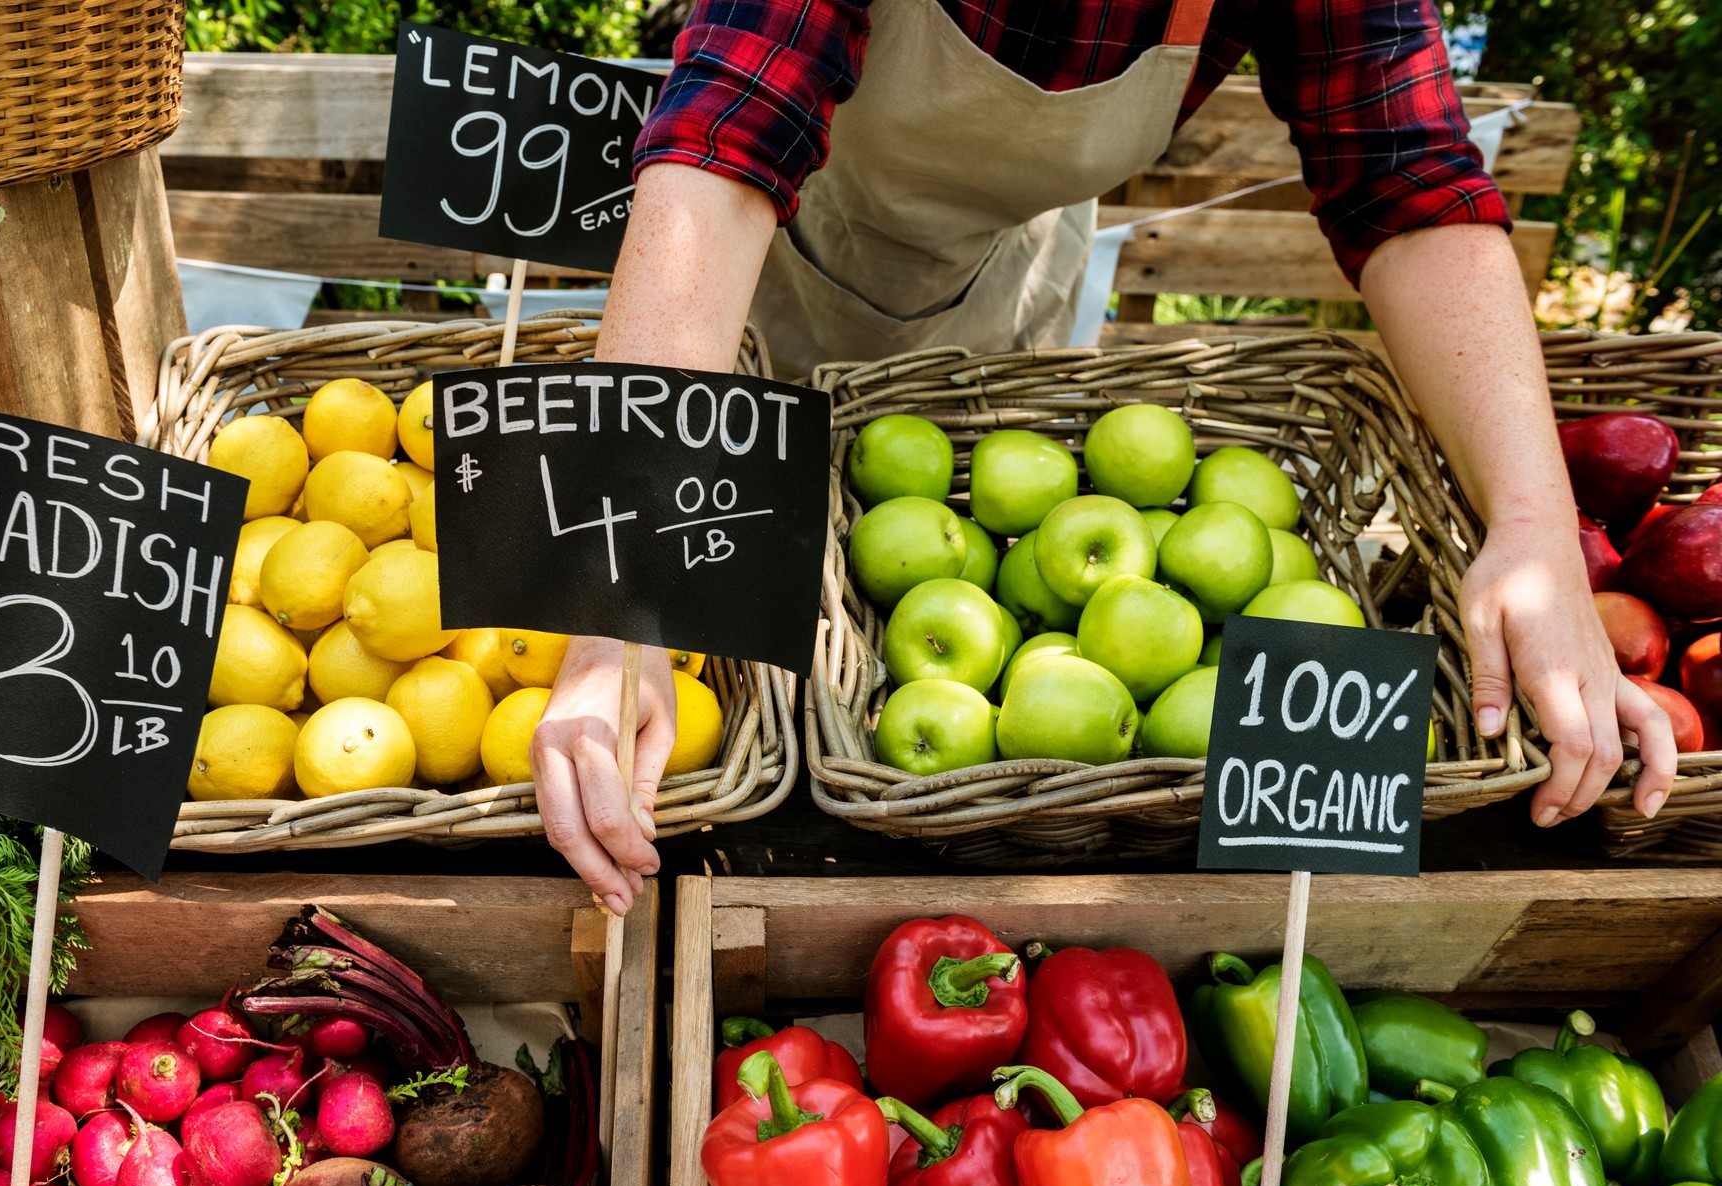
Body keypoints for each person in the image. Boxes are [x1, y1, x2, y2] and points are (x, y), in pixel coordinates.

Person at [530, 0, 1679, 909]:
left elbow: (1408, 175)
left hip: (1002, 272)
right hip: (762, 270)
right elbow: (733, 125)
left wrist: (1535, 531)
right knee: (776, 676)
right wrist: (622, 595)